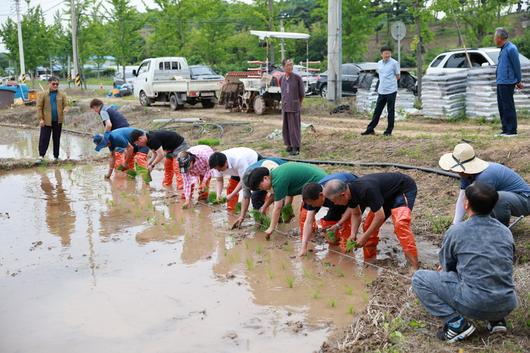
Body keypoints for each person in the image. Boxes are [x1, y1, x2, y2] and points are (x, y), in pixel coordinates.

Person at [412, 182, 517, 343]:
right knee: (493, 270)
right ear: (494, 205)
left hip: (474, 304)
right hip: (507, 303)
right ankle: (497, 320)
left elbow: (447, 267)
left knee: (419, 278)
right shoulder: (506, 232)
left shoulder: (457, 231)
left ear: (466, 203)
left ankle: (455, 324)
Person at [323, 173, 419, 270]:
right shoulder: (350, 193)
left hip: (402, 189)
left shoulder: (366, 190)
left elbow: (380, 216)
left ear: (342, 195)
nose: (334, 204)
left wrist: (364, 237)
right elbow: (356, 214)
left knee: (400, 224)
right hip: (384, 195)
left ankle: (413, 266)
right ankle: (370, 260)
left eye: (334, 200)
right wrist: (353, 234)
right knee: (368, 225)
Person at [439, 143, 530, 226]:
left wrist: (475, 227)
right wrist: (455, 224)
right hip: (513, 199)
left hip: (525, 201)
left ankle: (500, 229)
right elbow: (463, 197)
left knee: (497, 198)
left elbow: (481, 205)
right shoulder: (466, 174)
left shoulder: (485, 176)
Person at [248, 162, 327, 240]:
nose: (261, 189)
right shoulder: (275, 175)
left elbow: (277, 207)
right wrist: (285, 208)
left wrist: (271, 228)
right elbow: (283, 193)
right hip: (317, 181)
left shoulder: (278, 181)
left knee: (305, 216)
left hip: (320, 184)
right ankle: (312, 234)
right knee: (306, 215)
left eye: (261, 186)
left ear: (265, 178)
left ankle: (310, 240)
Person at [299, 172, 359, 256]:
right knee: (329, 223)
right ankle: (334, 248)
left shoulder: (335, 193)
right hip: (334, 199)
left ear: (321, 195)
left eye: (312, 203)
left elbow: (352, 208)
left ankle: (347, 252)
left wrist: (339, 224)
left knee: (347, 225)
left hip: (352, 193)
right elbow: (308, 222)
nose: (311, 206)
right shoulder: (311, 195)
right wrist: (303, 247)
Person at [231, 157, 286, 229]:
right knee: (256, 197)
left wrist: (264, 206)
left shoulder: (270, 173)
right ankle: (260, 220)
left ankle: (280, 220)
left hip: (278, 168)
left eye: (259, 187)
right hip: (259, 178)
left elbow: (275, 193)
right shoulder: (245, 179)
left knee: (278, 201)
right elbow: (246, 197)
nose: (260, 189)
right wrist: (242, 216)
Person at [361, 46, 400, 137]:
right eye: (385, 53)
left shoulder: (394, 63)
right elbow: (380, 74)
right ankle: (370, 129)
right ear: (381, 54)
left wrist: (391, 83)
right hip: (381, 91)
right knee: (377, 111)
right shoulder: (379, 63)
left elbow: (398, 76)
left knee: (390, 111)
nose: (387, 55)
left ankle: (388, 131)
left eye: (389, 53)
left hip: (391, 91)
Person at [494, 27, 523, 137]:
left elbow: (516, 66)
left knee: (508, 106)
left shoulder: (511, 49)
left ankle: (512, 130)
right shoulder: (503, 49)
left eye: (495, 38)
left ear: (500, 38)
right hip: (501, 82)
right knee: (502, 106)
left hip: (508, 82)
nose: (494, 40)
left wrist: (518, 80)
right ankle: (505, 129)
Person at [36, 76, 68, 161]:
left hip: (58, 121)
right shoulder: (43, 94)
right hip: (46, 121)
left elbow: (66, 105)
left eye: (57, 84)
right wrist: (41, 119)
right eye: (53, 84)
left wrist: (66, 108)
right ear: (49, 84)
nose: (55, 85)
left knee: (56, 138)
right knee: (44, 138)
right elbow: (39, 107)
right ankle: (41, 156)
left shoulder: (62, 94)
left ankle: (56, 157)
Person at [177, 145, 215, 209]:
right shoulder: (182, 164)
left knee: (204, 185)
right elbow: (187, 183)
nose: (187, 170)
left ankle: (203, 200)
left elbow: (210, 169)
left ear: (191, 162)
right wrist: (187, 200)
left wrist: (204, 182)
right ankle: (187, 198)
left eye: (187, 168)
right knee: (188, 187)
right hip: (196, 165)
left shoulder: (204, 157)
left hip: (205, 165)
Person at [280, 59, 305, 155]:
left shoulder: (297, 78)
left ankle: (296, 146)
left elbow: (302, 94)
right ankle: (289, 145)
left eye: (291, 65)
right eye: (288, 65)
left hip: (294, 106)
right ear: (283, 67)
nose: (290, 67)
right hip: (285, 106)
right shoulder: (282, 79)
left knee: (294, 127)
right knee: (286, 127)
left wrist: (298, 104)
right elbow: (283, 92)